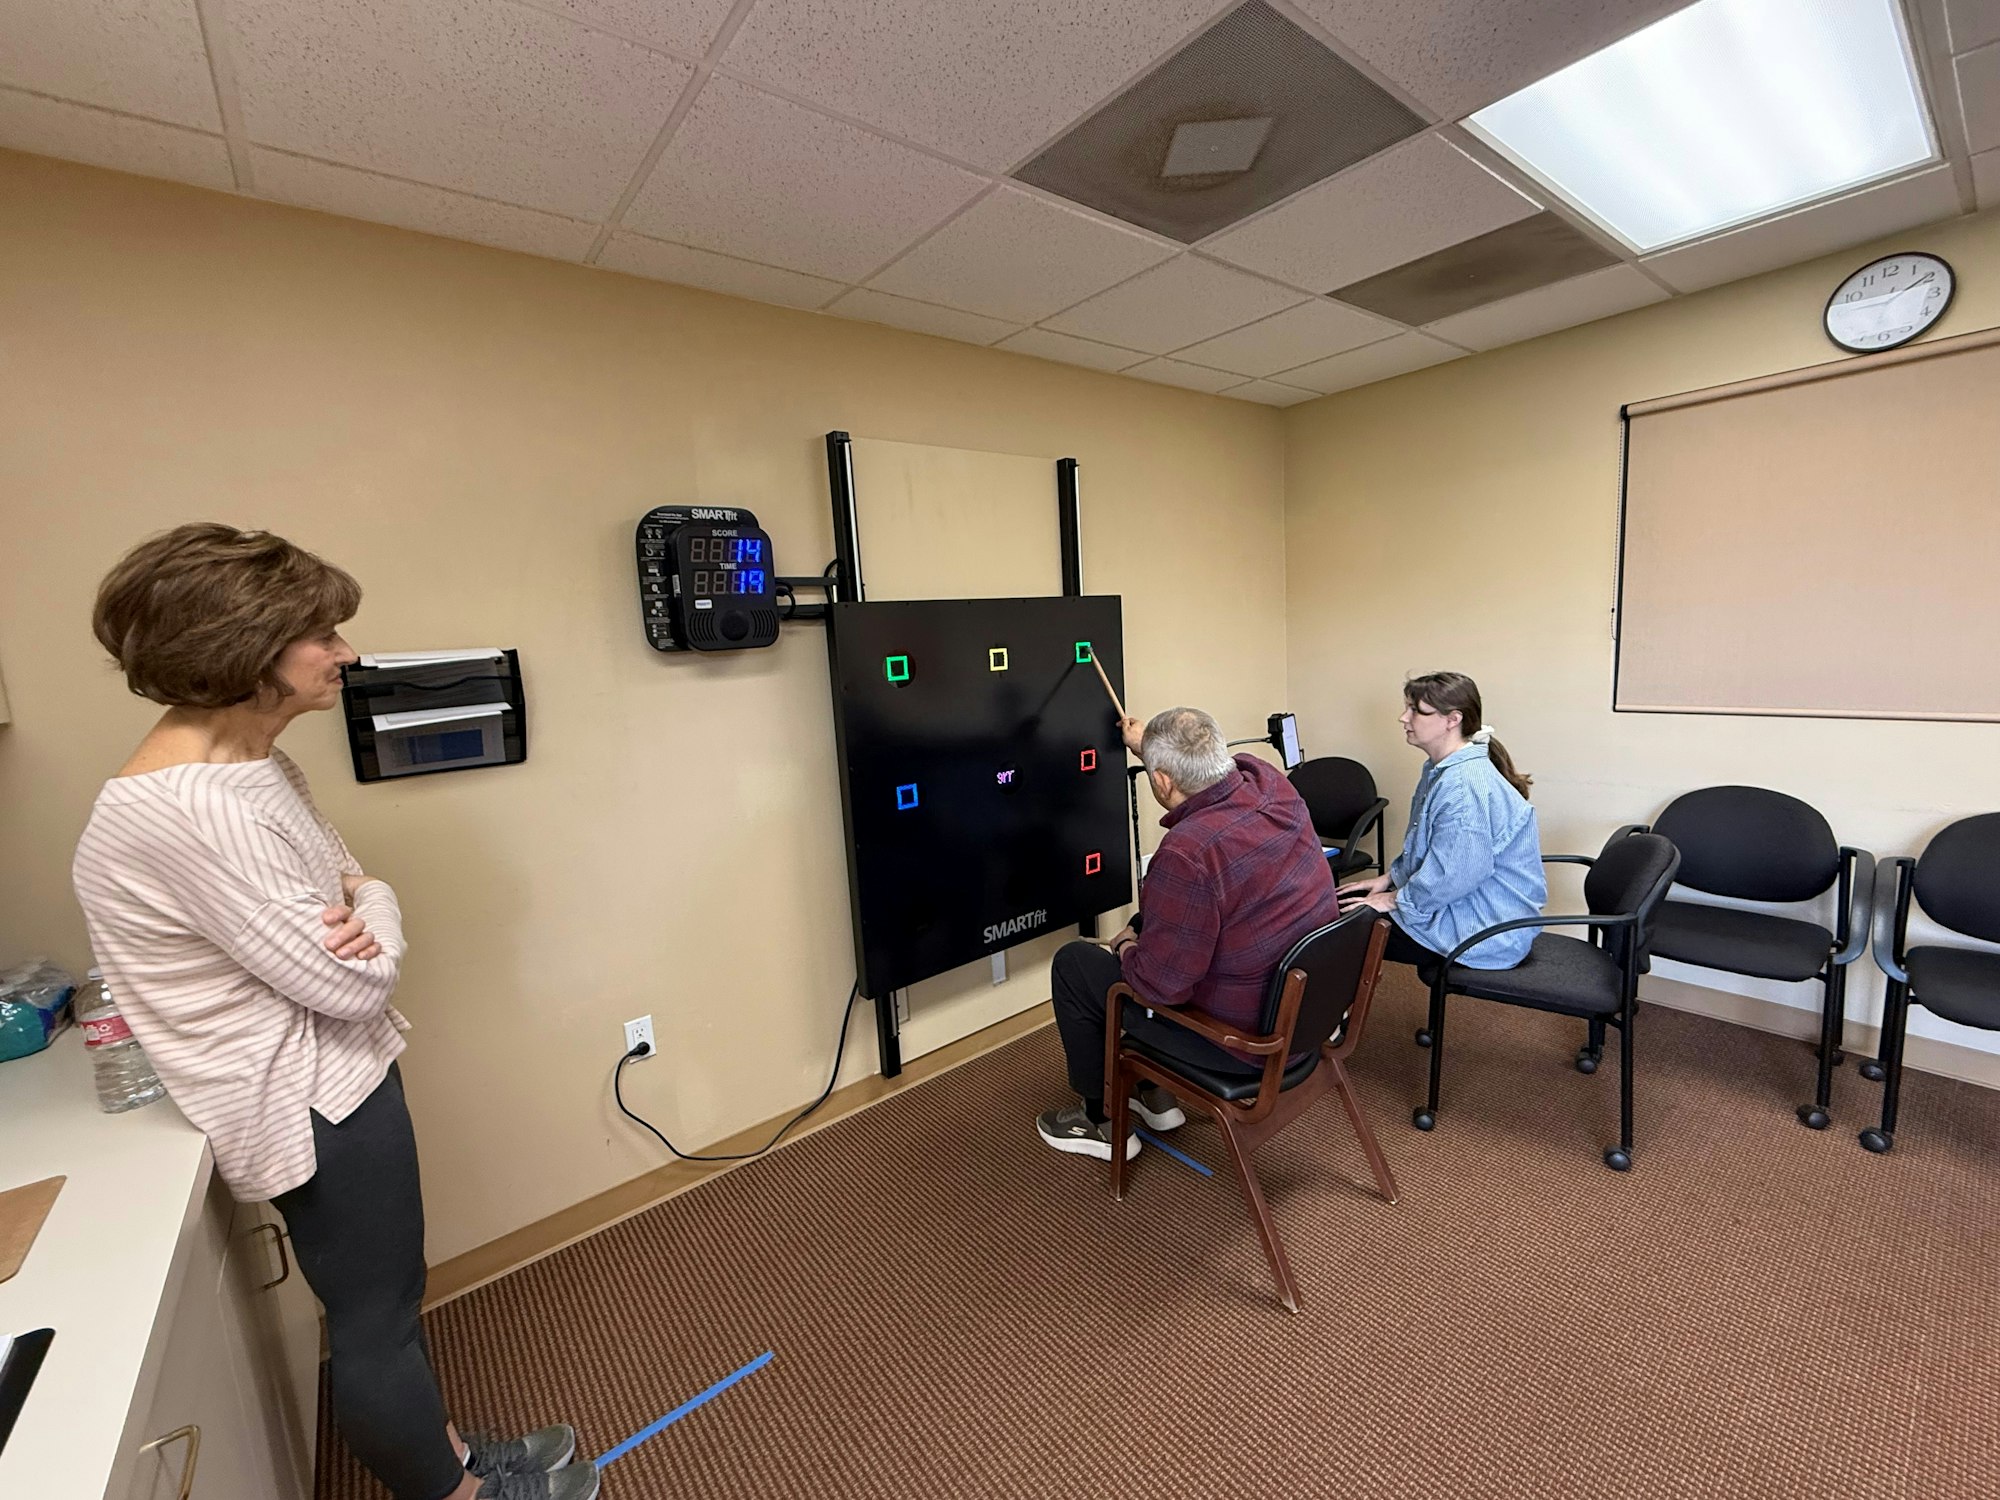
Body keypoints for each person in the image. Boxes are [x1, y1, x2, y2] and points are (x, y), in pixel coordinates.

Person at [71, 524, 596, 1500]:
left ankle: (445, 1451)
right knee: (376, 1318)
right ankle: (458, 1494)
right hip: (304, 1095)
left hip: (334, 1067)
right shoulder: (190, 812)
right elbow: (351, 978)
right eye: (322, 634)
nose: (346, 654)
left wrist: (369, 904)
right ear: (244, 648)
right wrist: (371, 914)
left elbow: (357, 882)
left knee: (395, 1296)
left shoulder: (253, 767)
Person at [1037, 706, 1338, 1161]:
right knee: (1154, 925)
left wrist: (1127, 947)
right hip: (1307, 1018)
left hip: (1245, 1045)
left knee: (1077, 964)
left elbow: (1159, 987)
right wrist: (1153, 747)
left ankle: (1100, 1120)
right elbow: (1216, 757)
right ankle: (1152, 1094)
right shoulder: (1274, 786)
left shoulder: (1188, 853)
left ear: (1161, 782)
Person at [1337, 671, 1545, 974]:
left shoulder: (1463, 786)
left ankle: (1340, 1019)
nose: (1403, 718)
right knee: (1340, 903)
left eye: (1416, 711)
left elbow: (1453, 875)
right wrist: (1389, 879)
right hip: (1466, 907)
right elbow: (1432, 850)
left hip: (1483, 931)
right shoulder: (1443, 770)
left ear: (1453, 719)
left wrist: (1392, 899)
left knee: (1333, 929)